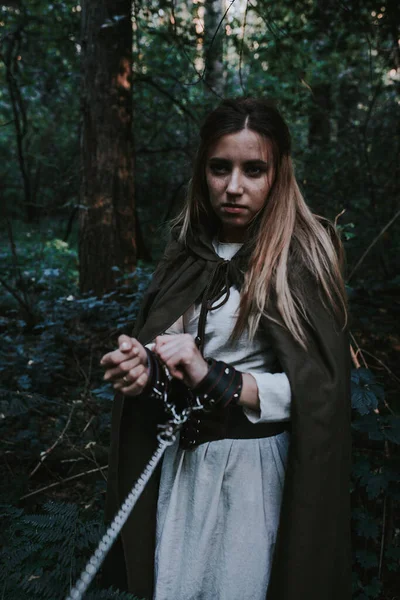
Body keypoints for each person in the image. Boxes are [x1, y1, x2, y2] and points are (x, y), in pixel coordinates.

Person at [100, 98, 352, 600]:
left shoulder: (302, 259)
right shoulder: (186, 252)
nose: (233, 186)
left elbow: (318, 388)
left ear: (279, 174)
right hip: (186, 469)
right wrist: (143, 366)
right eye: (220, 168)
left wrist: (221, 378)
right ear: (203, 171)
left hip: (255, 476)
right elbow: (167, 345)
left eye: (253, 170)